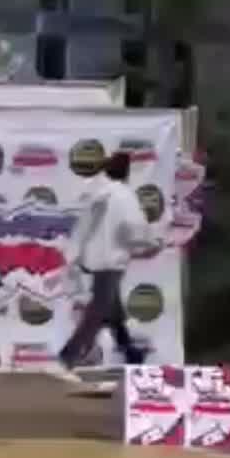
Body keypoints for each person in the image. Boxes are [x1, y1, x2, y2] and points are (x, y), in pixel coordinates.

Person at [57, 150, 152, 376]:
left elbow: (83, 227)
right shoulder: (124, 196)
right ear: (126, 172)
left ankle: (130, 352)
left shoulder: (98, 193)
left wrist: (75, 255)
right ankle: (69, 354)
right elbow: (133, 228)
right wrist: (149, 242)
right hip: (112, 259)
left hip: (95, 257)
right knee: (98, 310)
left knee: (113, 311)